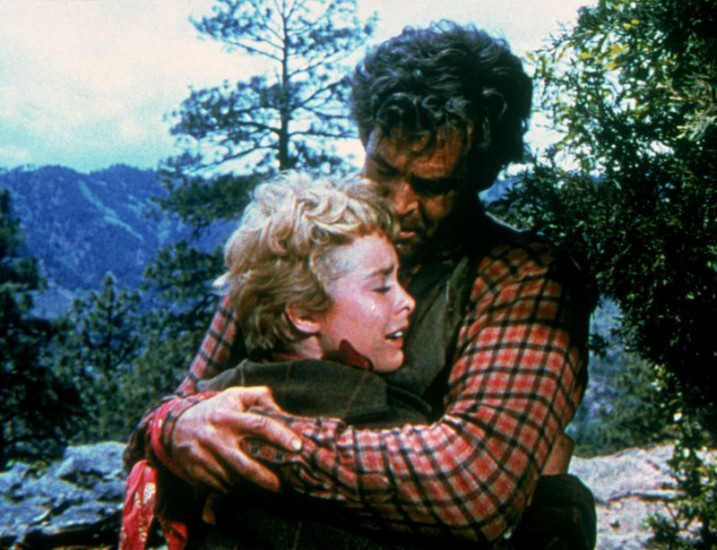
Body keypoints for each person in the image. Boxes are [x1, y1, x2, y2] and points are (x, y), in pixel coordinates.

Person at [124, 21, 597, 549]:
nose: (399, 203)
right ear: (365, 137)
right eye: (384, 170)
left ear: (481, 175)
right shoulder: (305, 242)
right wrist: (174, 426)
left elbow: (469, 486)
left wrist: (249, 443)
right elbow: (177, 410)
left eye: (433, 185)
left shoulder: (522, 278)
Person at [121, 172, 428, 548]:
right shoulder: (396, 428)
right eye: (381, 287)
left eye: (398, 281)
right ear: (303, 313)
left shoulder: (203, 414)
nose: (407, 301)